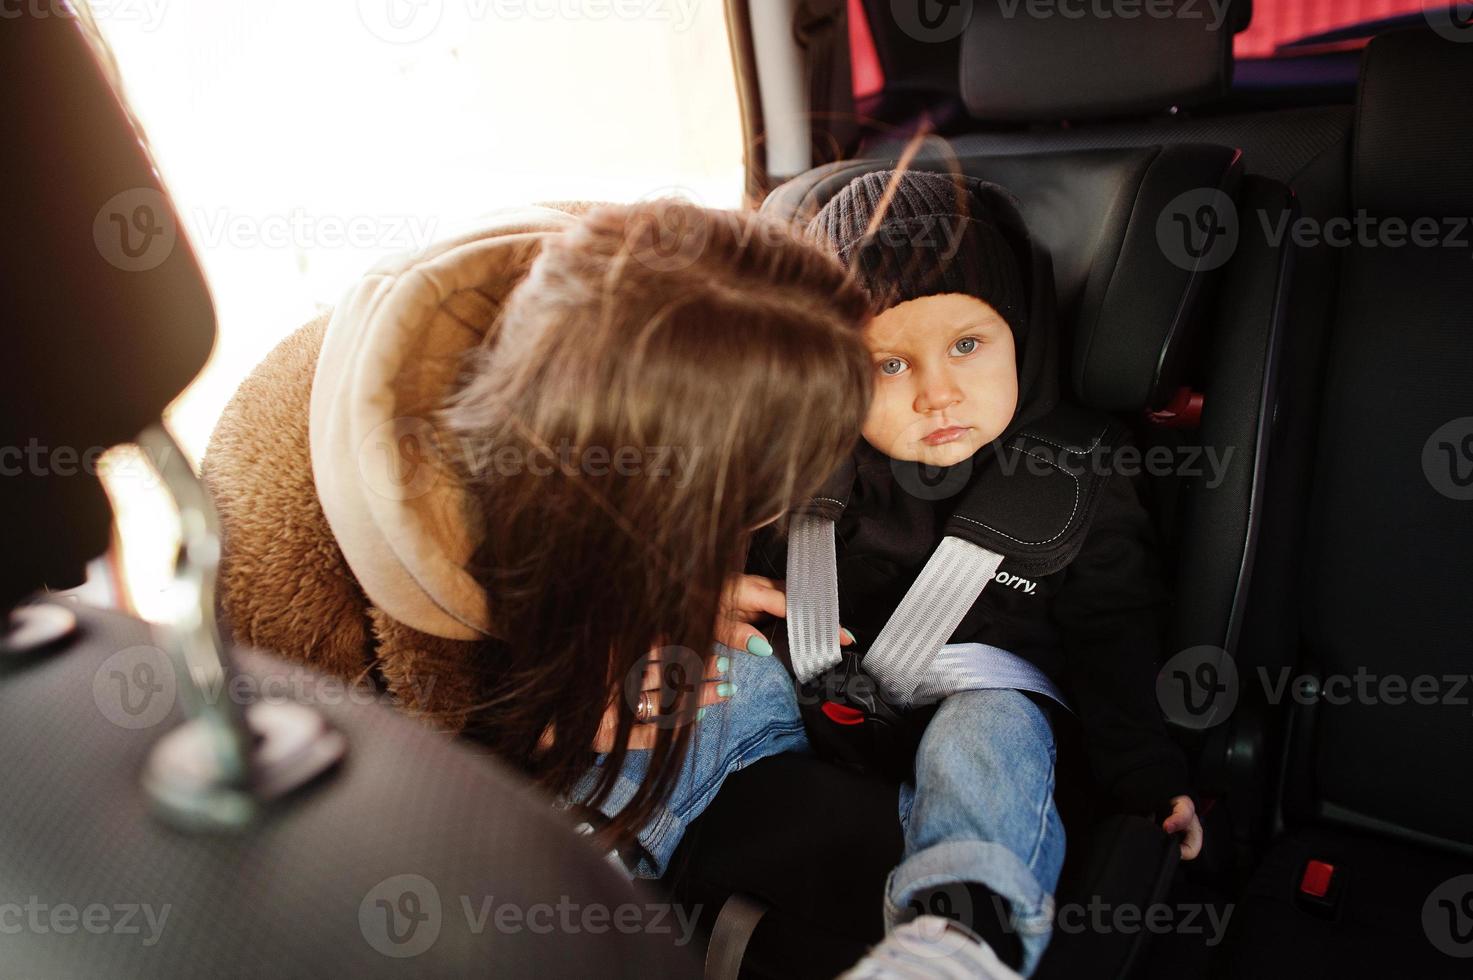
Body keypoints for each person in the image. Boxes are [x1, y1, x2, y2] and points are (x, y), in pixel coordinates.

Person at [588, 172, 1203, 979]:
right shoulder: (806, 456)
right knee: (713, 685)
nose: (936, 392)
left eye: (967, 346)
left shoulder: (1074, 473)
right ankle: (590, 854)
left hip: (979, 693)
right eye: (887, 365)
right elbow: (721, 553)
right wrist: (684, 601)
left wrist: (1147, 777)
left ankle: (952, 938)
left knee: (988, 741)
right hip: (808, 686)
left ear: (1025, 337)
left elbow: (1113, 631)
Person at [440, 200, 872, 853]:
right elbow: (393, 762)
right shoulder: (310, 594)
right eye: (753, 499)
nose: (775, 513)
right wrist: (550, 721)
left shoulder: (619, 296)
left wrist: (665, 595)